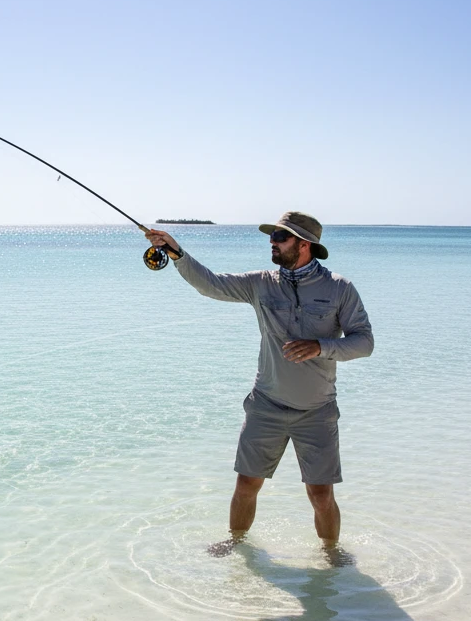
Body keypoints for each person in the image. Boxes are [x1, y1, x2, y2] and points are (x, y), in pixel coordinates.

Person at [144, 212, 373, 552]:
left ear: (304, 244)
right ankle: (237, 545)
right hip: (265, 405)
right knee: (246, 484)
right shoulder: (261, 282)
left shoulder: (339, 289)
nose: (272, 242)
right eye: (273, 236)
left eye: (281, 237)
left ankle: (330, 559)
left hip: (317, 411)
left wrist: (320, 347)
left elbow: (364, 343)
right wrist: (176, 251)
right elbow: (211, 284)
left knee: (321, 494)